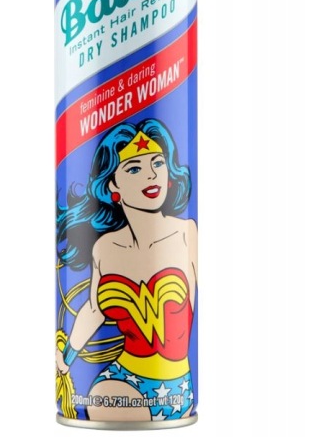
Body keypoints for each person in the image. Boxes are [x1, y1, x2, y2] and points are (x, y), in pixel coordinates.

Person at [56, 118, 197, 422]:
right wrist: (65, 359)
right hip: (121, 381)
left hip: (178, 387)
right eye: (134, 169)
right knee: (99, 401)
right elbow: (94, 310)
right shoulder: (104, 248)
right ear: (112, 185)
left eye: (158, 163)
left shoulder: (186, 232)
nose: (151, 175)